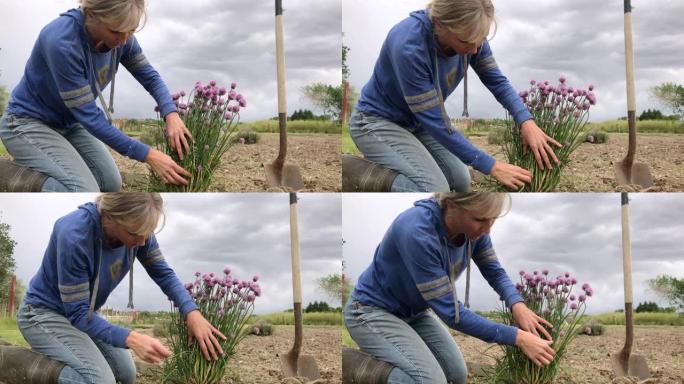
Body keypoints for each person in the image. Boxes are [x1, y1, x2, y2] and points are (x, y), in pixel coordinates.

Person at [349, 0, 561, 192]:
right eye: (467, 41)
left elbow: (496, 81)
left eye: (481, 40)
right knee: (434, 189)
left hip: (417, 125)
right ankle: (355, 171)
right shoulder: (408, 46)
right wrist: (492, 166)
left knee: (460, 181)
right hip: (376, 122)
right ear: (441, 25)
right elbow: (437, 123)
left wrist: (526, 121)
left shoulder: (473, 37)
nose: (475, 49)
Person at [344, 192, 555, 384]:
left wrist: (517, 304)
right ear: (452, 205)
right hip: (371, 310)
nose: (487, 229)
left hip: (414, 313)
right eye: (480, 219)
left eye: (493, 219)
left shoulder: (476, 234)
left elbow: (494, 271)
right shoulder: (416, 232)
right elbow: (452, 314)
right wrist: (517, 337)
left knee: (456, 375)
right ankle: (356, 365)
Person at [16, 193, 224, 384]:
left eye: (148, 232)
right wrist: (131, 338)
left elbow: (164, 274)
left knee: (126, 373)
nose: (143, 241)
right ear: (108, 217)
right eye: (135, 233)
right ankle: (20, 364)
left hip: (84, 314)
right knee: (99, 381)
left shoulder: (140, 233)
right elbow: (78, 314)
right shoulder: (74, 235)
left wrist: (191, 311)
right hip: (43, 313)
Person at [0, 0, 192, 192]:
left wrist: (171, 113)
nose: (124, 40)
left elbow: (150, 77)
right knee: (81, 190)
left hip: (70, 122)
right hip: (26, 122)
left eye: (131, 31)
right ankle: (9, 174)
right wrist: (149, 154)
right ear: (91, 14)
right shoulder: (62, 42)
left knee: (110, 184)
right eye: (116, 31)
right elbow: (90, 117)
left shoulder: (123, 38)